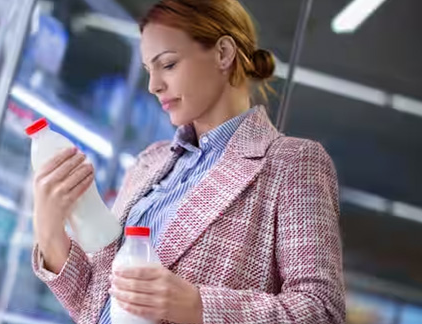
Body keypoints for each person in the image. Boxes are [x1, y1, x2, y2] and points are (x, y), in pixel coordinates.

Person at [31, 0, 345, 323]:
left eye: (167, 64)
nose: (153, 86)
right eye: (148, 70)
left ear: (223, 53)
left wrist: (196, 305)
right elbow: (95, 303)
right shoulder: (149, 162)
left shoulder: (293, 163)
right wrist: (50, 232)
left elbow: (321, 311)